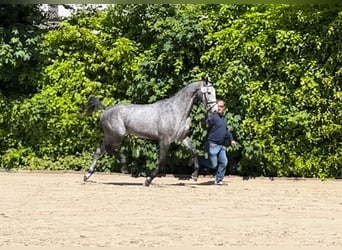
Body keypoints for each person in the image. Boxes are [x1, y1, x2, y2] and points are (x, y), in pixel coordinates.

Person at [199, 99, 237, 185]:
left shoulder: (224, 119)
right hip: (212, 144)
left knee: (224, 162)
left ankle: (218, 180)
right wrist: (206, 118)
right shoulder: (213, 116)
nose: (219, 108)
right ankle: (198, 159)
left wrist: (232, 140)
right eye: (218, 106)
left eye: (221, 106)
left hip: (221, 145)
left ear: (224, 108)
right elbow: (207, 124)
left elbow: (227, 131)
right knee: (213, 165)